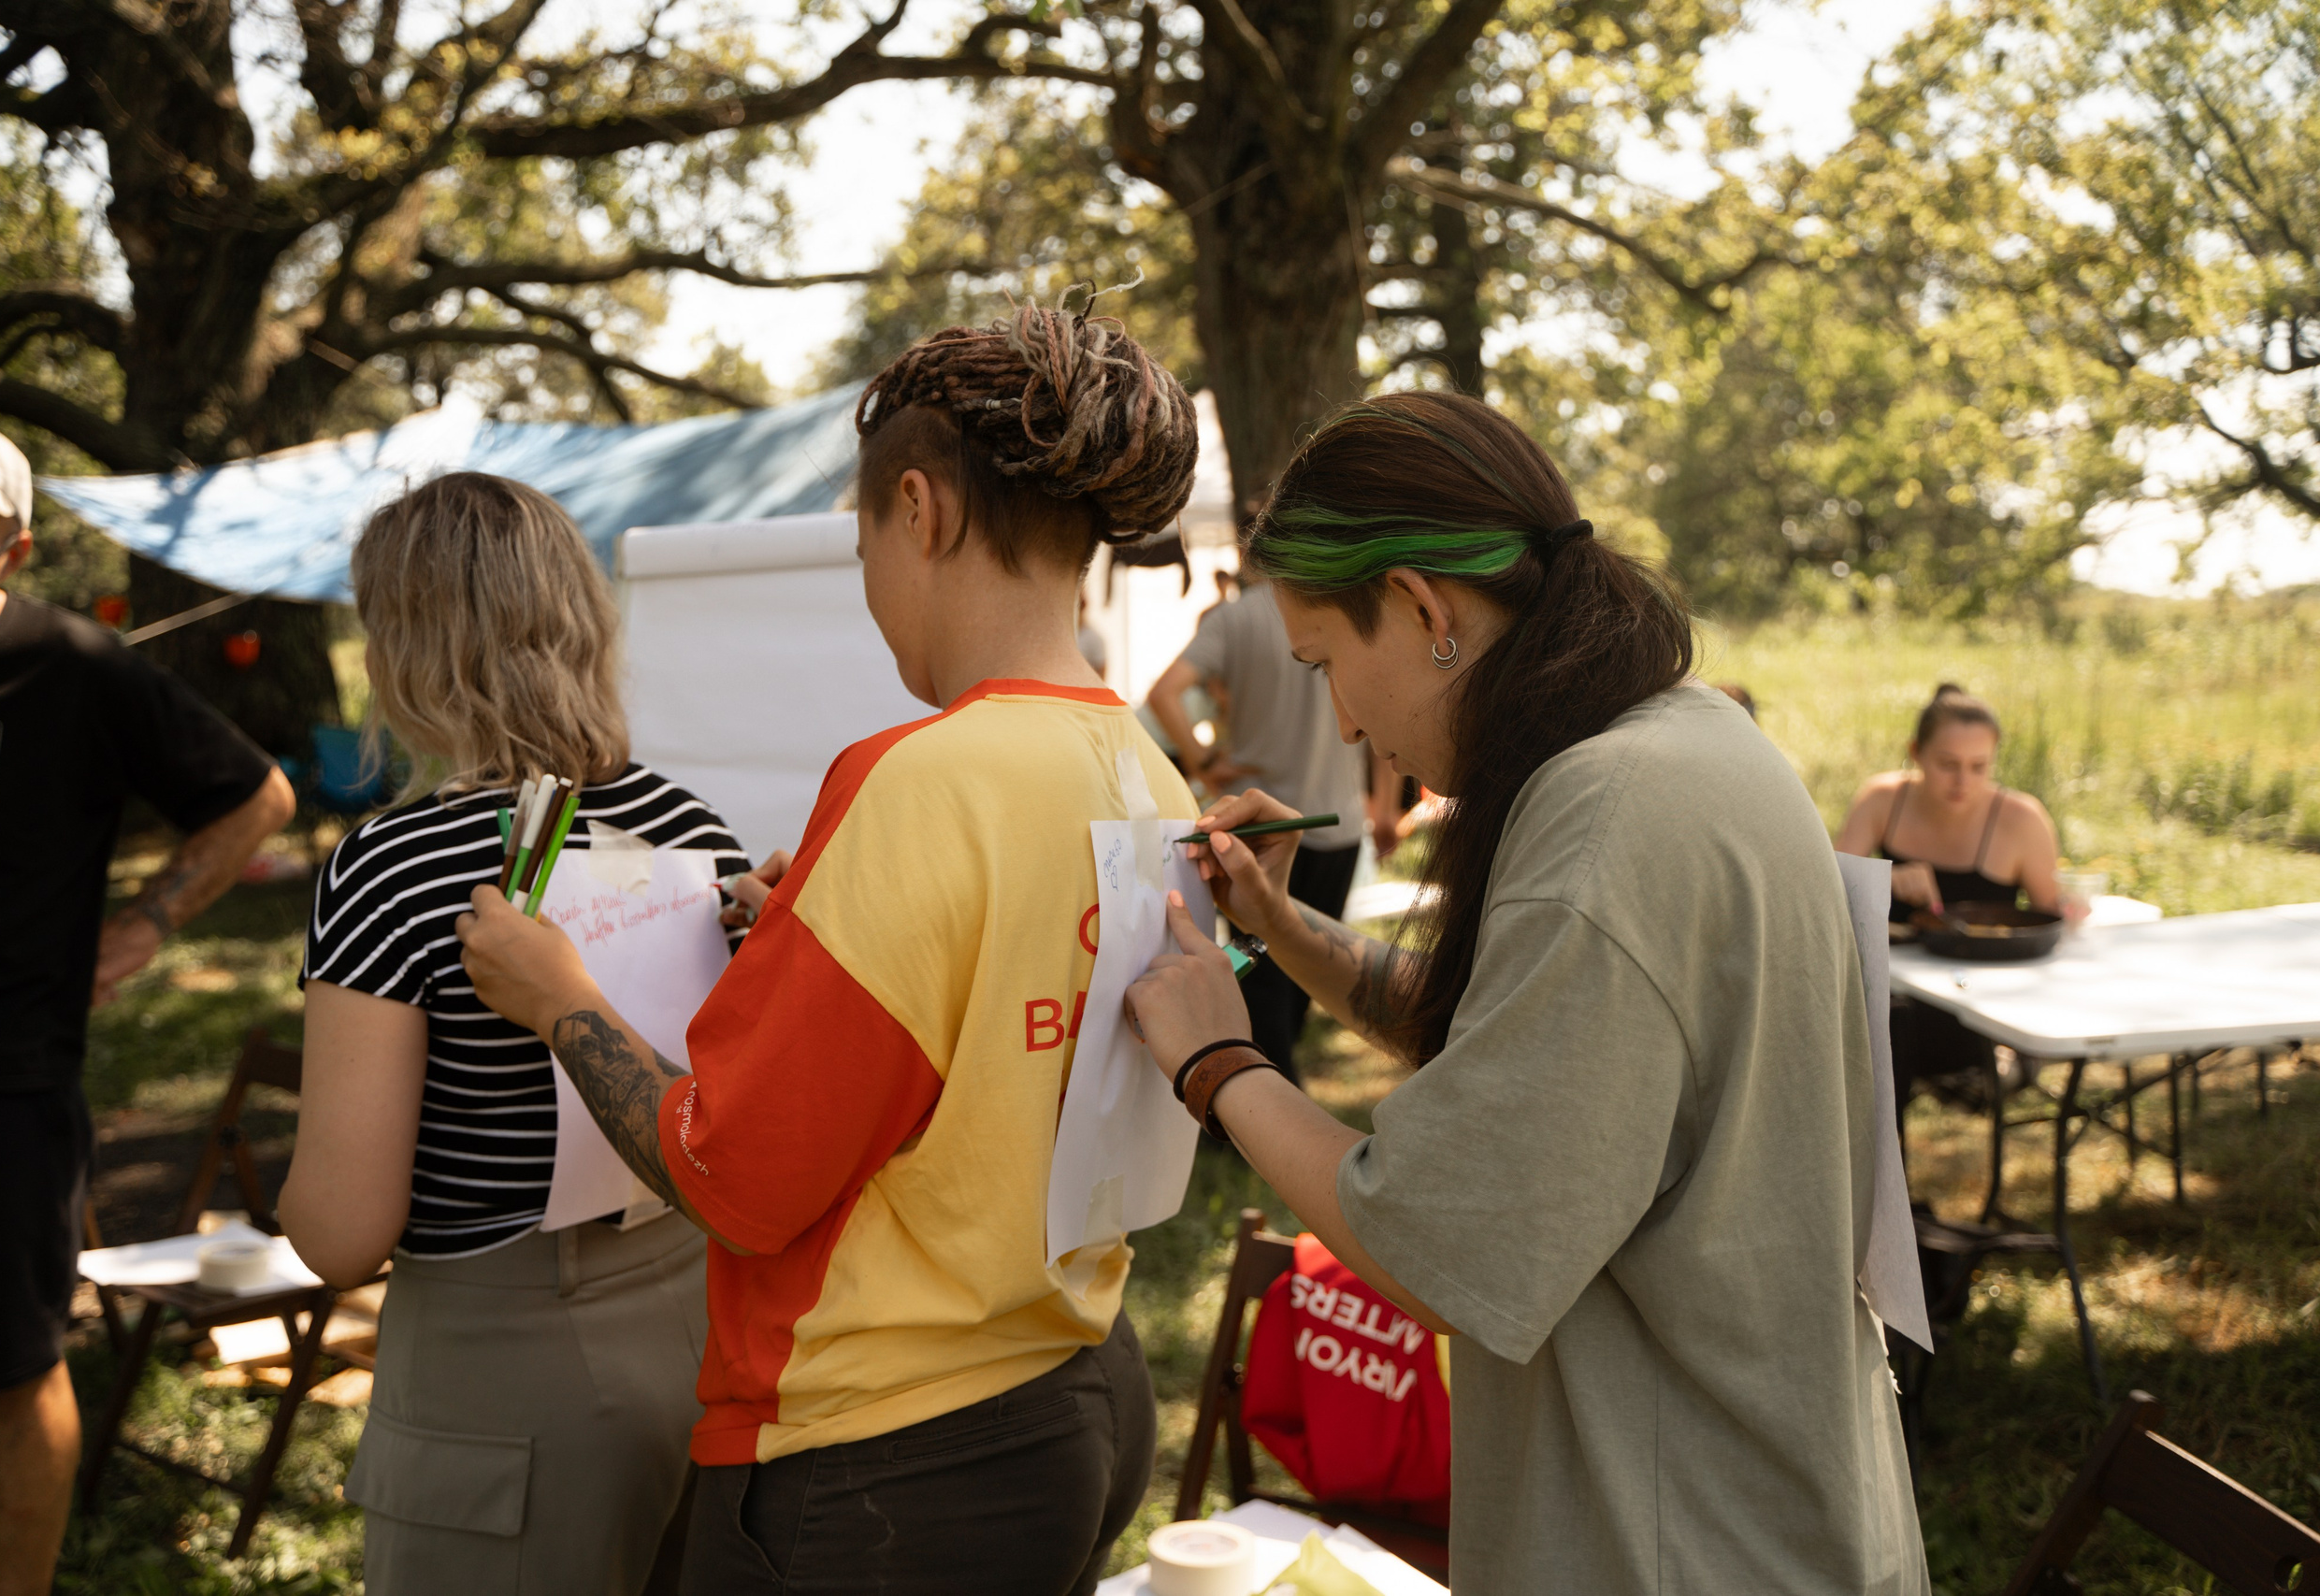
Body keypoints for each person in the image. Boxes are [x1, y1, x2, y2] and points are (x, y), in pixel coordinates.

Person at [452, 299, 1202, 1594]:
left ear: (921, 510)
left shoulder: (918, 776)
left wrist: (561, 1001)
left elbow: (734, 1171)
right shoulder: (1146, 764)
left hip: (881, 1457)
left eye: (862, 542)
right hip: (1072, 1379)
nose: (869, 590)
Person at [1122, 392, 1927, 1595]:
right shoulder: (1685, 738)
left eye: (1327, 665)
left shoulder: (1604, 821)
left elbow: (1432, 1245)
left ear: (1421, 609)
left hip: (1681, 1540)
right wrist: (1285, 931)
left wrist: (1220, 1067)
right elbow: (1541, 1061)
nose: (1341, 718)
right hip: (1771, 1501)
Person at [279, 474, 749, 1595]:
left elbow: (343, 1232)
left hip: (504, 1368)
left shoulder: (392, 867)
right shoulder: (694, 827)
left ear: (405, 647)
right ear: (583, 623)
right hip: (700, 1325)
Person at [0, 419, 294, 1596]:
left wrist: (147, 924)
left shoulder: (78, 669)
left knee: (10, 1373)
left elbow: (259, 796)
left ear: (16, 553)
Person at [1146, 563, 1366, 1078]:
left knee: (1262, 971)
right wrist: (1380, 803)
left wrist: (1202, 762)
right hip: (1336, 822)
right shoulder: (1338, 602)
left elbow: (1164, 693)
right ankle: (1271, 1094)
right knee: (1313, 971)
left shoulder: (1235, 619)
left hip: (1256, 827)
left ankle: (1265, 1093)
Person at [1834, 683, 2072, 1121]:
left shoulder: (2021, 819)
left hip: (1978, 1015)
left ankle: (1891, 1183)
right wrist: (1883, 881)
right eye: (1947, 765)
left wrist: (2072, 909)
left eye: (1979, 766)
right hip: (1891, 1003)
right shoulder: (1883, 799)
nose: (1963, 782)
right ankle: (1887, 1185)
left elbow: (2049, 922)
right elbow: (1826, 891)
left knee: (1881, 1046)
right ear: (1915, 752)